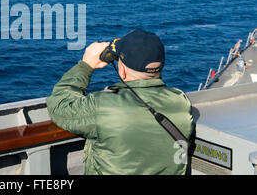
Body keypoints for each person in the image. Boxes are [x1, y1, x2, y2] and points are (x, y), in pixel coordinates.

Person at [46, 29, 194, 175]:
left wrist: (86, 65)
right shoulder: (180, 102)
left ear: (122, 70)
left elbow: (60, 105)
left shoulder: (105, 106)